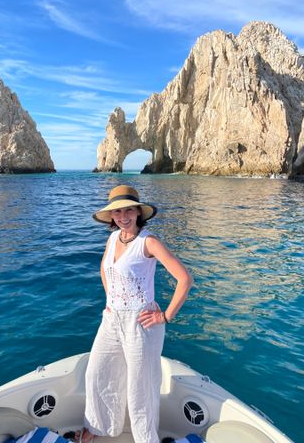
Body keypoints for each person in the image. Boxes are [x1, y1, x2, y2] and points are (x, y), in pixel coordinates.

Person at [79, 184, 193, 443]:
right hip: (112, 319)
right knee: (97, 372)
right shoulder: (113, 238)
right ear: (111, 217)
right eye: (117, 212)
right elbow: (104, 268)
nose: (123, 217)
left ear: (138, 212)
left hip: (142, 323)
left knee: (140, 390)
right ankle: (98, 427)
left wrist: (165, 316)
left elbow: (185, 279)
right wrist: (110, 300)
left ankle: (146, 439)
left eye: (128, 210)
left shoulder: (148, 241)